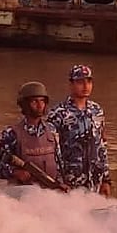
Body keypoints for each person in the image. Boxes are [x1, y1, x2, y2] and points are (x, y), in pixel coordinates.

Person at [47, 64, 111, 196]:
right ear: (71, 84)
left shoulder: (97, 110)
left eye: (89, 81)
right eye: (80, 82)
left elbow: (102, 146)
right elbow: (53, 150)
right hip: (70, 180)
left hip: (95, 179)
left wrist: (106, 178)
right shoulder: (58, 113)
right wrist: (58, 180)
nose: (86, 86)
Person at [0, 82, 64, 189]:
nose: (39, 106)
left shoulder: (51, 130)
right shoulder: (12, 133)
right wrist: (15, 172)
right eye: (34, 101)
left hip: (50, 193)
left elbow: (58, 163)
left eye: (42, 101)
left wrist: (61, 183)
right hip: (22, 195)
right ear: (25, 104)